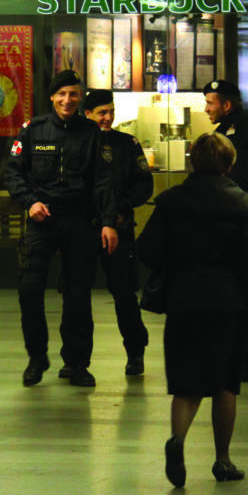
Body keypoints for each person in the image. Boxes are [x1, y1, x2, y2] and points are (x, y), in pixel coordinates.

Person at [139, 132, 248, 487]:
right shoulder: (241, 204)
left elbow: (148, 249)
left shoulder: (171, 201)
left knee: (186, 382)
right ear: (230, 165)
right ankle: (223, 460)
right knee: (225, 384)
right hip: (228, 305)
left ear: (192, 162)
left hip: (183, 302)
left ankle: (177, 439)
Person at [4, 70, 103, 387]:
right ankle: (37, 357)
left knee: (77, 298)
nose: (68, 100)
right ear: (51, 97)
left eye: (74, 94)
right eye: (62, 94)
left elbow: (103, 182)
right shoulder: (32, 130)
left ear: (80, 97)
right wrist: (29, 202)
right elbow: (13, 173)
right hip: (41, 222)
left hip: (78, 223)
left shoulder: (91, 133)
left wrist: (108, 221)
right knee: (29, 290)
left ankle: (77, 363)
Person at [82, 89, 155, 377]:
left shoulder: (127, 144)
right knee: (75, 297)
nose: (108, 117)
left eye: (111, 111)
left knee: (124, 296)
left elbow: (143, 185)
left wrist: (121, 207)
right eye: (102, 112)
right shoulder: (76, 143)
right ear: (87, 114)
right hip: (84, 231)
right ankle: (74, 359)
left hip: (119, 230)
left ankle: (135, 352)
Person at [201, 79, 248, 209]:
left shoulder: (233, 137)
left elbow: (236, 182)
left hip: (241, 213)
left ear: (226, 106)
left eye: (210, 104)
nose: (206, 109)